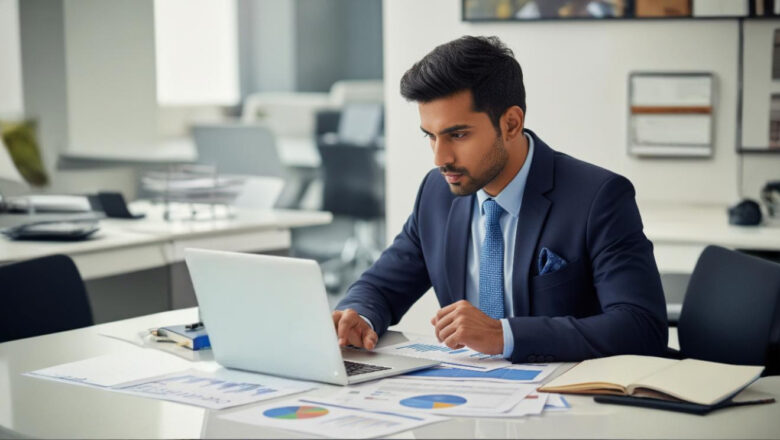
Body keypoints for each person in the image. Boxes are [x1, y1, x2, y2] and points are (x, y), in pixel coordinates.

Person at [332, 35, 668, 363]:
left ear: (510, 123)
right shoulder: (437, 194)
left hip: (567, 402)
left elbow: (640, 327)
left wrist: (504, 335)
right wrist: (359, 315)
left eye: (458, 135)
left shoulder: (598, 197)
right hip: (470, 398)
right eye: (430, 136)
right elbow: (379, 286)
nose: (439, 158)